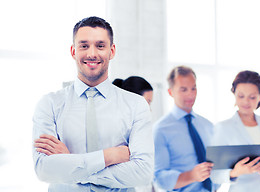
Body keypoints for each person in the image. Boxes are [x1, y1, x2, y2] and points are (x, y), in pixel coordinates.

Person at [32, 16, 154, 192]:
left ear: (112, 51)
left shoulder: (136, 105)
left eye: (100, 45)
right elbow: (44, 170)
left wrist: (71, 164)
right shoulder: (49, 104)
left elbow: (143, 172)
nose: (92, 53)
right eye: (84, 46)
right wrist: (109, 156)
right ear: (73, 51)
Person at [211, 70, 260, 192]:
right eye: (241, 96)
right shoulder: (223, 127)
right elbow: (214, 174)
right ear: (234, 94)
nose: (246, 102)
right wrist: (235, 172)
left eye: (252, 97)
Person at [153, 66, 215, 191]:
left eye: (193, 88)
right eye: (183, 89)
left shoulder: (208, 125)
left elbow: (217, 168)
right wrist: (191, 175)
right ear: (170, 92)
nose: (190, 94)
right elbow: (159, 178)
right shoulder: (160, 129)